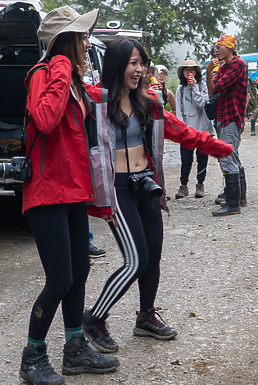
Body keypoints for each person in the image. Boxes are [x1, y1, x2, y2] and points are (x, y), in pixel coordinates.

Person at [81, 38, 233, 354]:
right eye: (132, 63)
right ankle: (94, 318)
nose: (139, 70)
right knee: (136, 260)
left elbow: (181, 131)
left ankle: (146, 316)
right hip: (117, 190)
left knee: (153, 255)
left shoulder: (149, 103)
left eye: (142, 64)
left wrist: (218, 148)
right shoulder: (95, 101)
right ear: (116, 65)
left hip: (147, 186)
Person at [19, 5, 118, 385]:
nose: (87, 41)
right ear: (67, 41)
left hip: (74, 191)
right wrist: (60, 66)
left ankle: (75, 347)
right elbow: (44, 119)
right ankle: (32, 356)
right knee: (59, 278)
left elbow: (107, 104)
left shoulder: (74, 81)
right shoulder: (44, 73)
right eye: (82, 36)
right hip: (46, 192)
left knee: (79, 273)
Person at [206, 34, 249, 216]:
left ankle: (233, 204)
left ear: (229, 47)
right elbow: (211, 92)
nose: (216, 51)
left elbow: (218, 87)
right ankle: (240, 198)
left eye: (219, 47)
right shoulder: (223, 67)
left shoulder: (238, 64)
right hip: (223, 116)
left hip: (232, 116)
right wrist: (209, 72)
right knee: (233, 155)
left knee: (227, 156)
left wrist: (212, 74)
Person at [173, 59, 213, 199]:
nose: (189, 73)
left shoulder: (203, 86)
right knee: (186, 159)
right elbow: (179, 110)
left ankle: (200, 184)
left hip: (202, 128)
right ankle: (183, 185)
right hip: (187, 128)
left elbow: (202, 103)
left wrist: (195, 87)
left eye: (192, 70)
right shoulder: (180, 89)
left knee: (202, 158)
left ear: (196, 72)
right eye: (186, 70)